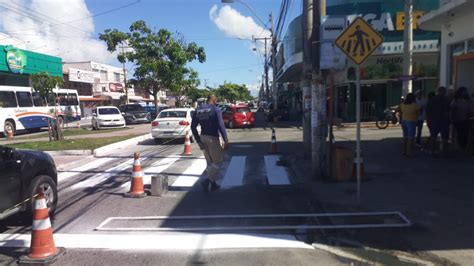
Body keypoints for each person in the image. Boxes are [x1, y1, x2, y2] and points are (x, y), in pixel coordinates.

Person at [191, 94, 229, 192]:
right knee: (218, 161)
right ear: (214, 100)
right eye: (216, 100)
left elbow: (193, 127)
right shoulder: (216, 110)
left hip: (203, 137)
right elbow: (221, 126)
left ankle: (213, 184)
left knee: (210, 162)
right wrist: (226, 140)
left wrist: (198, 140)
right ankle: (207, 181)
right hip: (213, 138)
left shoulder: (198, 110)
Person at [427, 87, 451, 155]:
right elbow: (449, 111)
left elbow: (428, 111)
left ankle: (433, 150)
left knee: (434, 136)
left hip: (435, 120)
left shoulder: (433, 99)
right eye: (444, 91)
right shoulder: (447, 99)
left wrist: (429, 120)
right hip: (443, 120)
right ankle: (443, 151)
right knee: (444, 137)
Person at [450, 87, 472, 151]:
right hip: (458, 120)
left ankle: (463, 146)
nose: (465, 93)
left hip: (466, 120)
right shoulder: (455, 100)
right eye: (463, 91)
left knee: (465, 134)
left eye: (465, 91)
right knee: (460, 134)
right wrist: (452, 119)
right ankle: (461, 147)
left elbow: (470, 110)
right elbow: (453, 110)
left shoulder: (468, 100)